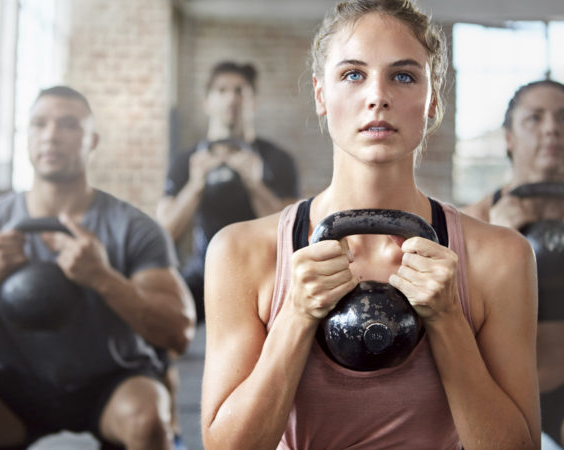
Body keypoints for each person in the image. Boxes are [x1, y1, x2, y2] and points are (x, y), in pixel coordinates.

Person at [200, 1, 541, 448]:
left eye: (403, 76)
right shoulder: (240, 252)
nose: (377, 96)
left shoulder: (500, 257)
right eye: (353, 75)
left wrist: (447, 318)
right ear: (322, 95)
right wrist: (296, 316)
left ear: (432, 98)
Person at [0, 86, 196, 450]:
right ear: (27, 136)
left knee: (147, 420)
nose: (51, 135)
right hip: (18, 381)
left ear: (93, 140)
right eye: (39, 124)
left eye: (69, 125)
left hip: (112, 378)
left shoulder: (133, 227)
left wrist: (102, 278)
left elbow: (179, 333)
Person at [157, 61, 300, 323]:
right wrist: (195, 185)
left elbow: (293, 232)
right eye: (222, 90)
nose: (231, 99)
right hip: (205, 270)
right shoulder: (186, 160)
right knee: (158, 312)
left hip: (264, 272)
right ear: (207, 102)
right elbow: (164, 231)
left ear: (253, 102)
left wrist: (254, 184)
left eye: (240, 91)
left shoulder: (278, 159)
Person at [464, 79, 564, 447]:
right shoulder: (476, 220)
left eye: (562, 118)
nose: (552, 128)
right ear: (509, 138)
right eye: (534, 119)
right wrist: (498, 241)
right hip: (500, 392)